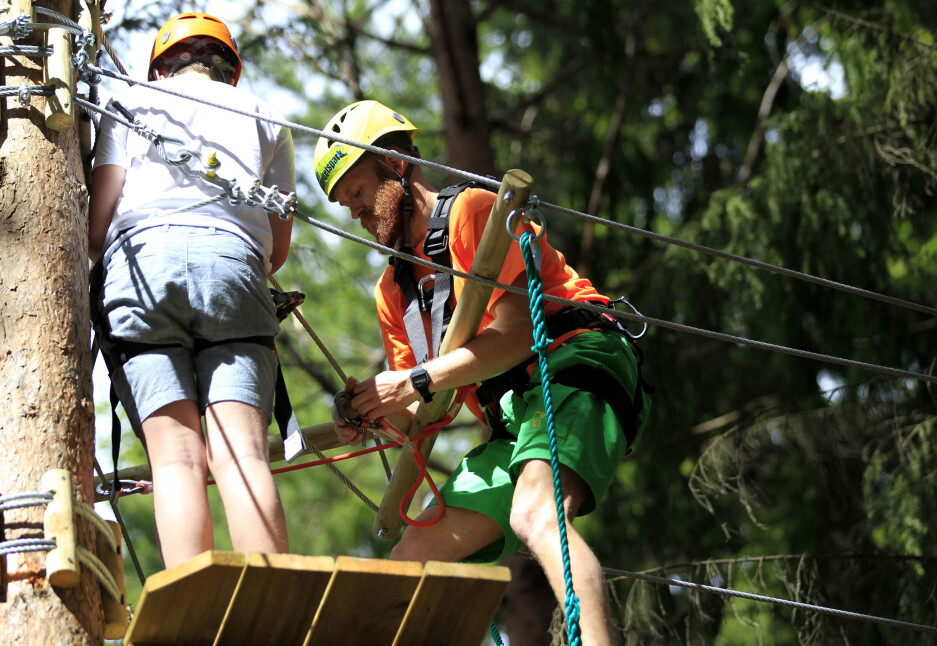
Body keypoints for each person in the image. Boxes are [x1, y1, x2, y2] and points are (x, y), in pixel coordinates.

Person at [316, 100, 652, 644]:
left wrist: (415, 381)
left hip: (572, 362)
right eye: (345, 205)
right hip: (510, 415)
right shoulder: (392, 292)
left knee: (537, 513)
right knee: (413, 557)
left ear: (396, 165)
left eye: (358, 193)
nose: (355, 213)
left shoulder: (475, 213)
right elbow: (417, 414)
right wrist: (372, 415)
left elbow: (517, 331)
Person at [88, 13, 293, 568]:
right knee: (242, 454)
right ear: (230, 69)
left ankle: (193, 603)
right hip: (233, 269)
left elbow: (97, 221)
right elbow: (277, 250)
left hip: (140, 270)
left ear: (161, 67)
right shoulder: (266, 116)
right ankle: (271, 594)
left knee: (175, 461)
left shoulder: (129, 102)